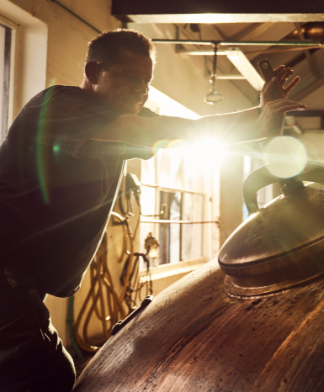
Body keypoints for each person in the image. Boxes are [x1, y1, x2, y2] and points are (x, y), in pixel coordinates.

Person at [0, 29, 306, 392]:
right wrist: (259, 120)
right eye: (131, 77)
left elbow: (179, 129)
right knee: (44, 376)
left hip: (20, 276)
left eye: (147, 80)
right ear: (94, 72)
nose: (142, 89)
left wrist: (261, 111)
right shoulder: (59, 105)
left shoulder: (112, 120)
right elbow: (151, 129)